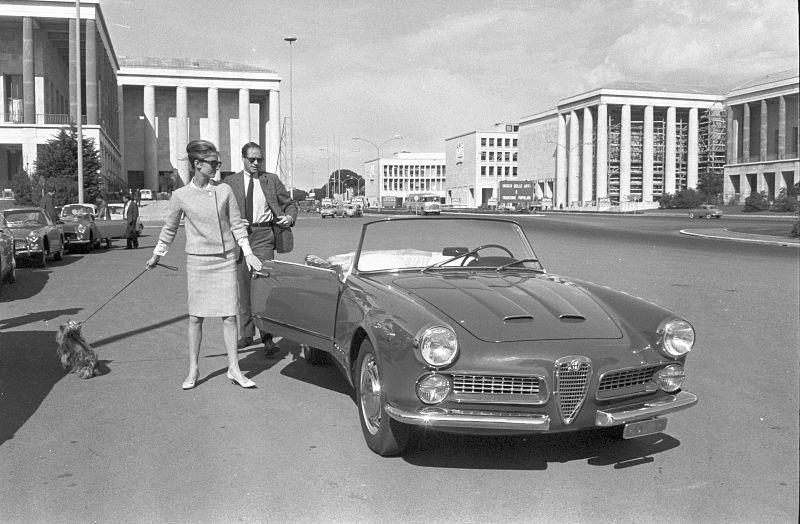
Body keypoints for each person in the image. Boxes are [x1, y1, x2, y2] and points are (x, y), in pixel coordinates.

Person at [145, 140, 263, 390]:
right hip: (198, 261)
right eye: (213, 164)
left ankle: (234, 368)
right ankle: (193, 369)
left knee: (230, 316)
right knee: (196, 318)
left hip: (225, 259)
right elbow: (169, 228)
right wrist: (158, 254)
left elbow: (236, 224)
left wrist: (248, 252)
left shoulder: (224, 191)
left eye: (218, 164)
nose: (216, 169)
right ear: (197, 164)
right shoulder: (180, 196)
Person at [223, 142, 297, 356]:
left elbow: (289, 204)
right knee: (244, 286)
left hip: (264, 236)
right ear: (243, 158)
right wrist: (232, 222)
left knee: (263, 285)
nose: (256, 163)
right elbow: (221, 211)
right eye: (252, 159)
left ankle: (267, 337)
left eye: (259, 159)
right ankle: (246, 334)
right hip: (240, 237)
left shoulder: (271, 180)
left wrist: (289, 217)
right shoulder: (230, 182)